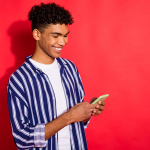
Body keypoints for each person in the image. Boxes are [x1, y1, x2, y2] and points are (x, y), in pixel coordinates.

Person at [7, 3, 105, 150]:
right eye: (56, 36)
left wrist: (87, 112)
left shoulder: (70, 68)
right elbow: (22, 139)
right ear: (37, 34)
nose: (62, 42)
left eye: (65, 35)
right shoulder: (19, 80)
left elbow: (77, 119)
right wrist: (68, 117)